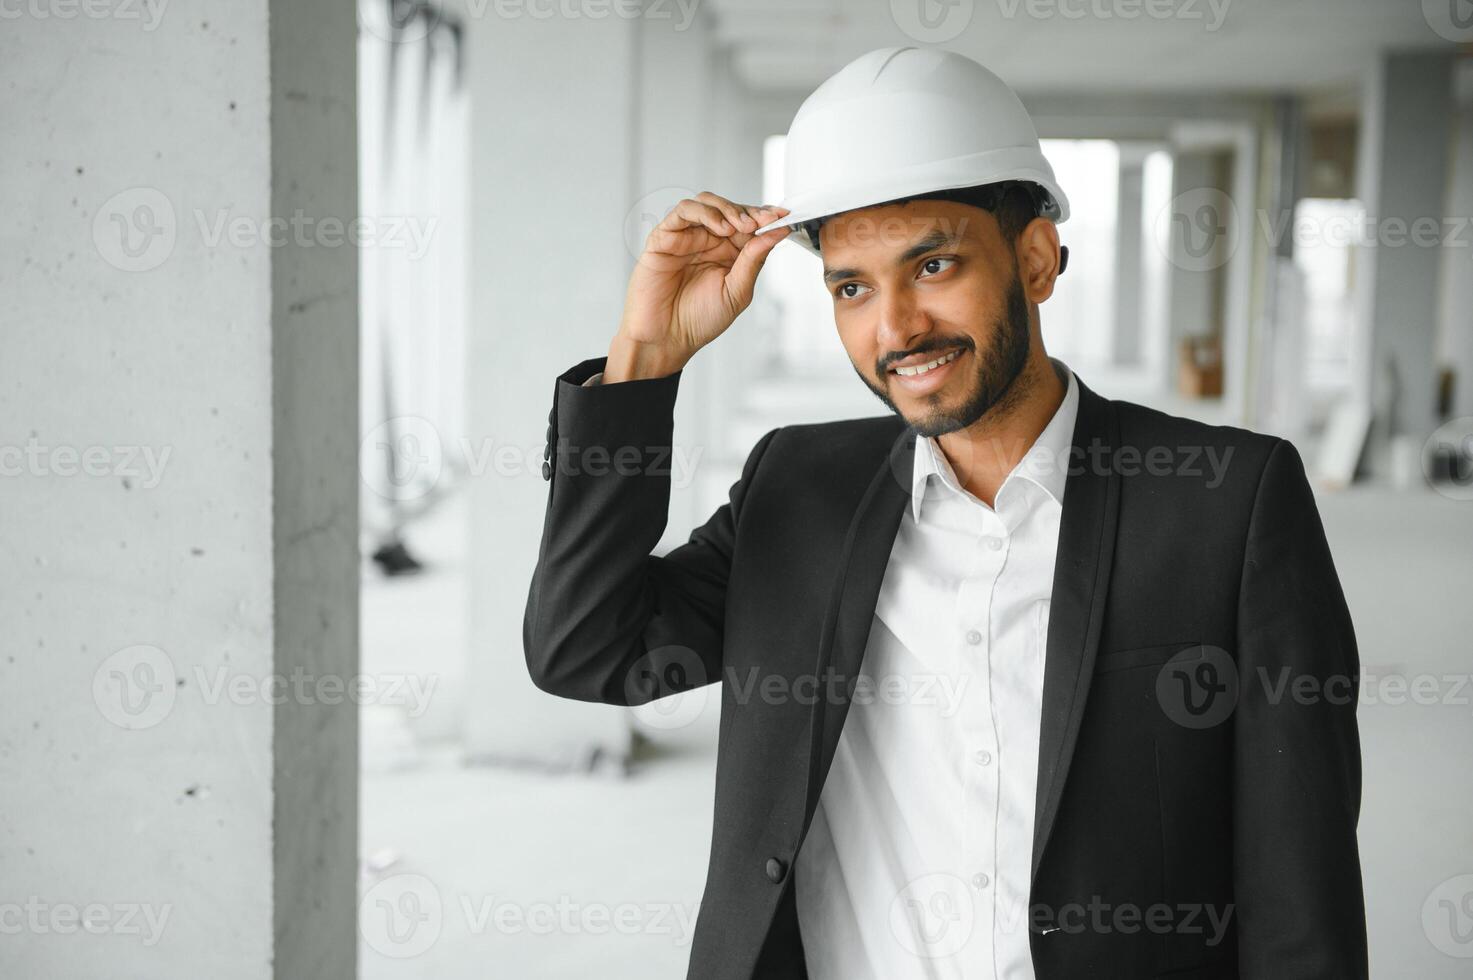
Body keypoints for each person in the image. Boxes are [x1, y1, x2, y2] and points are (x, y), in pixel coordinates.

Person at [523, 46, 1366, 980]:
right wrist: (645, 356)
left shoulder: (1225, 502)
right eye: (851, 286)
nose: (894, 329)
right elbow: (586, 649)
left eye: (932, 264)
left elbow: (1301, 892)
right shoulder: (798, 486)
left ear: (1036, 258)